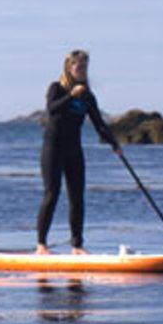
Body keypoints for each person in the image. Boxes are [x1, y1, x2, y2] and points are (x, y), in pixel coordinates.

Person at [36, 49, 121, 254]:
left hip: (74, 149)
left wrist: (114, 144)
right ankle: (41, 245)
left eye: (85, 67)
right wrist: (70, 96)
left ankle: (77, 246)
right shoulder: (56, 88)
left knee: (77, 197)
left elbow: (99, 123)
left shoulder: (88, 96)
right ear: (69, 67)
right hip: (53, 148)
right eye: (79, 66)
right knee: (52, 194)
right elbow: (52, 109)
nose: (83, 70)